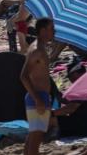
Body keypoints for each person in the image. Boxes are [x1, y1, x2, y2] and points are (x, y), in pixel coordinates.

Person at [21, 18, 55, 155]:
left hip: (40, 96)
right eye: (52, 29)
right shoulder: (37, 51)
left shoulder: (39, 48)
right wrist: (38, 100)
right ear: (43, 31)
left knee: (32, 138)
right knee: (35, 142)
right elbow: (23, 76)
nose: (54, 32)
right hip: (38, 97)